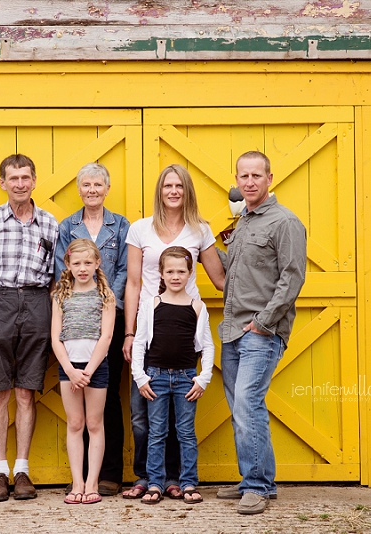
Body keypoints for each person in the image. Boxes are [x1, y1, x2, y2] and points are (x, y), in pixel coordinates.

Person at [121, 164, 225, 500]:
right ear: (160, 190)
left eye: (180, 185)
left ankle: (177, 479)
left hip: (183, 331)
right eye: (168, 185)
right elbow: (134, 283)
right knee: (142, 415)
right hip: (150, 329)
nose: (174, 191)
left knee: (180, 420)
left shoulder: (200, 231)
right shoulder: (140, 230)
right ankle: (147, 476)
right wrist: (129, 332)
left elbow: (221, 279)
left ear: (187, 191)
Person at [215, 151, 307, 515]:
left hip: (261, 332)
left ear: (270, 178)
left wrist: (264, 322)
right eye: (243, 176)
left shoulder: (284, 222)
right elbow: (235, 274)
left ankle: (255, 486)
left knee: (246, 404)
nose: (249, 181)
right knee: (246, 409)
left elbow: (293, 276)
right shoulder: (243, 223)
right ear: (236, 180)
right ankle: (260, 482)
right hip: (233, 331)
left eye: (256, 175)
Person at [0, 154, 59, 502]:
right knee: (0, 390)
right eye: (13, 178)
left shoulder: (50, 223)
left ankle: (22, 470)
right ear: (2, 182)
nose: (20, 183)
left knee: (26, 392)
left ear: (34, 180)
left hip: (37, 302)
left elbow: (54, 277)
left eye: (25, 177)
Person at [55, 163, 130, 496]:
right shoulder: (68, 227)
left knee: (107, 400)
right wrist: (83, 298)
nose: (92, 190)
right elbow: (61, 267)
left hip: (107, 319)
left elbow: (127, 269)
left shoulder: (121, 225)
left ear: (106, 188)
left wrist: (104, 300)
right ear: (80, 189)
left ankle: (108, 474)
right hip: (75, 325)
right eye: (86, 184)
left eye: (98, 184)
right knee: (76, 409)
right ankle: (80, 479)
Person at [131, 247, 215, 505]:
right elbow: (139, 342)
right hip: (155, 377)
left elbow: (208, 346)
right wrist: (140, 377)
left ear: (191, 273)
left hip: (186, 378)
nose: (176, 276)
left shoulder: (197, 306)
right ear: (161, 273)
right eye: (170, 271)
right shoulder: (151, 304)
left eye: (181, 271)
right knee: (156, 432)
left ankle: (188, 482)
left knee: (186, 432)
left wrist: (203, 378)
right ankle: (155, 482)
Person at [52, 238, 116, 505]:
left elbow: (107, 336)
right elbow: (55, 337)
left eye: (88, 262)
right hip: (69, 368)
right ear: (67, 264)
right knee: (75, 424)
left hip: (95, 368)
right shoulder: (60, 295)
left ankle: (92, 483)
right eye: (76, 263)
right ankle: (77, 482)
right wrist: (70, 369)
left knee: (94, 423)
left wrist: (87, 371)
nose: (82, 268)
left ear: (97, 263)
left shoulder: (106, 296)